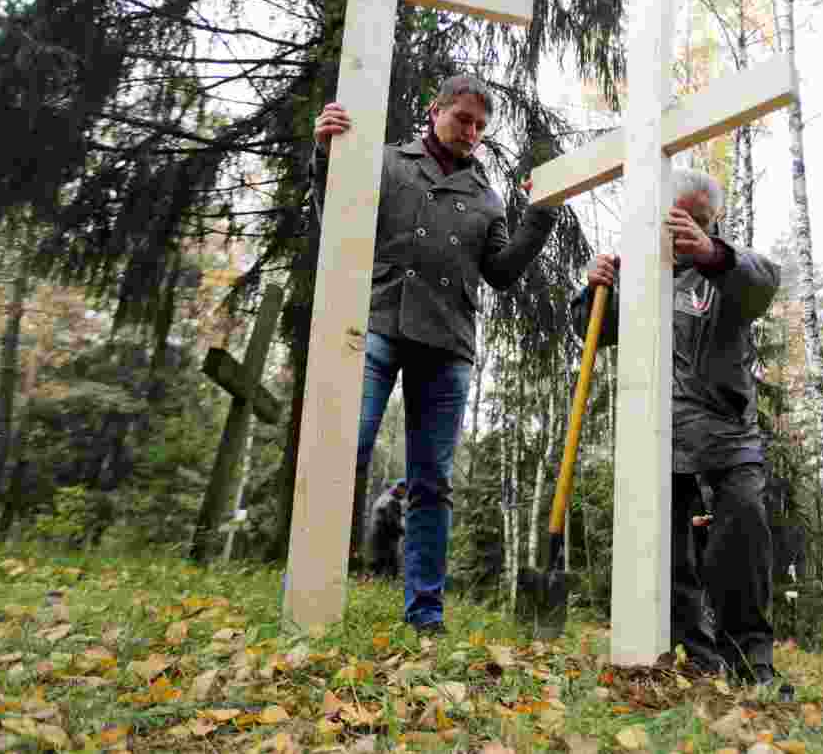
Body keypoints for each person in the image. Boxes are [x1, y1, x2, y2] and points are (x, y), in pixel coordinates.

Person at [311, 74, 558, 634]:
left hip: (448, 344)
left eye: (479, 126)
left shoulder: (487, 197)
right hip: (378, 321)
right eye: (462, 119)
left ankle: (425, 614)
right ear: (435, 110)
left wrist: (539, 213)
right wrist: (326, 156)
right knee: (345, 449)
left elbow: (500, 272)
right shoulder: (387, 162)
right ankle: (315, 591)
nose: (470, 132)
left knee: (432, 482)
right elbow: (338, 220)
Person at [572, 169, 781, 685]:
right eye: (677, 217)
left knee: (742, 533)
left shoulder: (729, 271)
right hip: (658, 433)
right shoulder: (643, 278)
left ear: (713, 221)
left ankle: (750, 662)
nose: (686, 229)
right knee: (666, 550)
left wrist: (713, 253)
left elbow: (761, 283)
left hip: (728, 431)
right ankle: (696, 656)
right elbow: (592, 332)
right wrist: (593, 291)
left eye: (699, 220)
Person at [368, 479, 407, 579]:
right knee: (390, 574)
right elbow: (393, 524)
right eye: (406, 491)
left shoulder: (382, 498)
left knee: (375, 573)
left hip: (375, 542)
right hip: (386, 544)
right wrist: (408, 533)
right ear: (400, 488)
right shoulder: (392, 502)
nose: (406, 495)